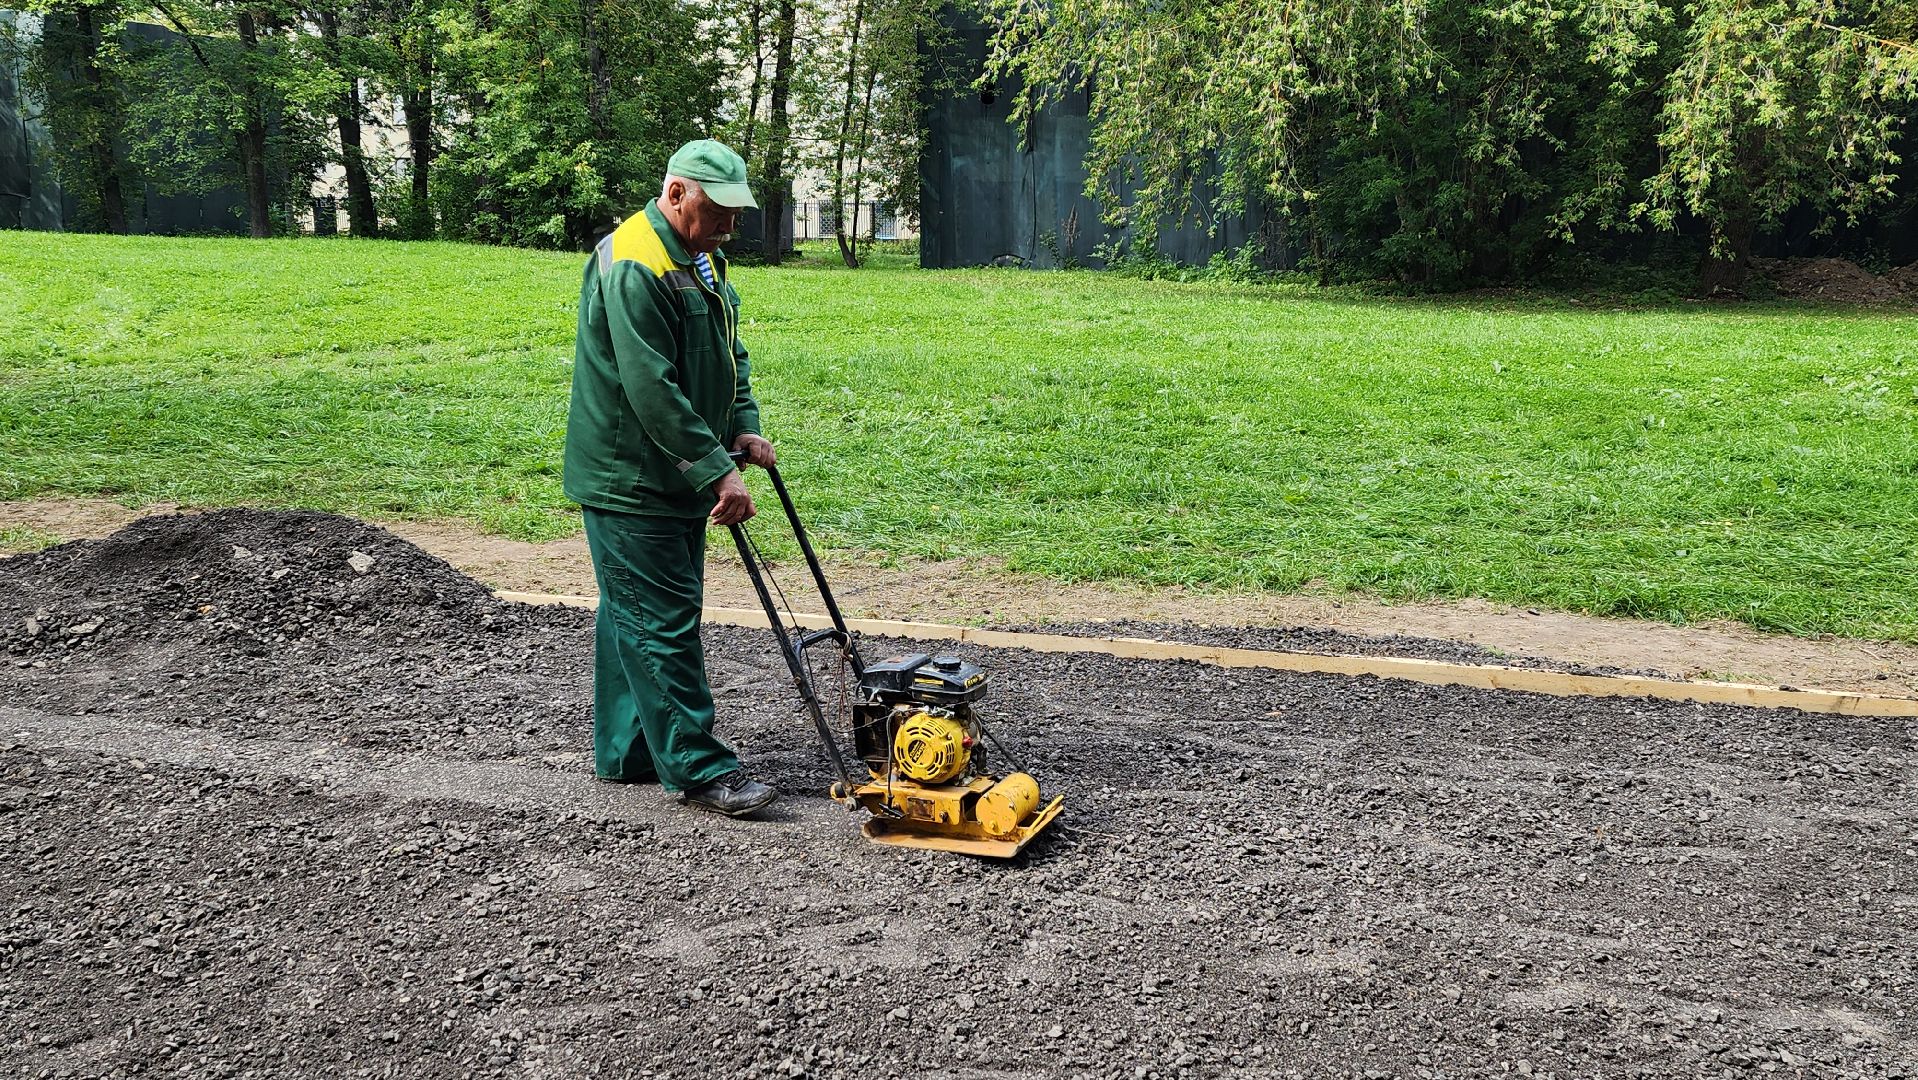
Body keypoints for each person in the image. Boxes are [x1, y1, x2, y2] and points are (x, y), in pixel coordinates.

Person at [562, 138, 779, 817]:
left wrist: (742, 423)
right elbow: (650, 388)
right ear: (677, 193)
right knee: (662, 621)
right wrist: (719, 472)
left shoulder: (701, 258)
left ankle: (629, 752)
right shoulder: (635, 262)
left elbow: (728, 347)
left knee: (634, 612)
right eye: (719, 210)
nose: (730, 226)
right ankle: (698, 766)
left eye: (738, 214)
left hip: (670, 473)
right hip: (632, 476)